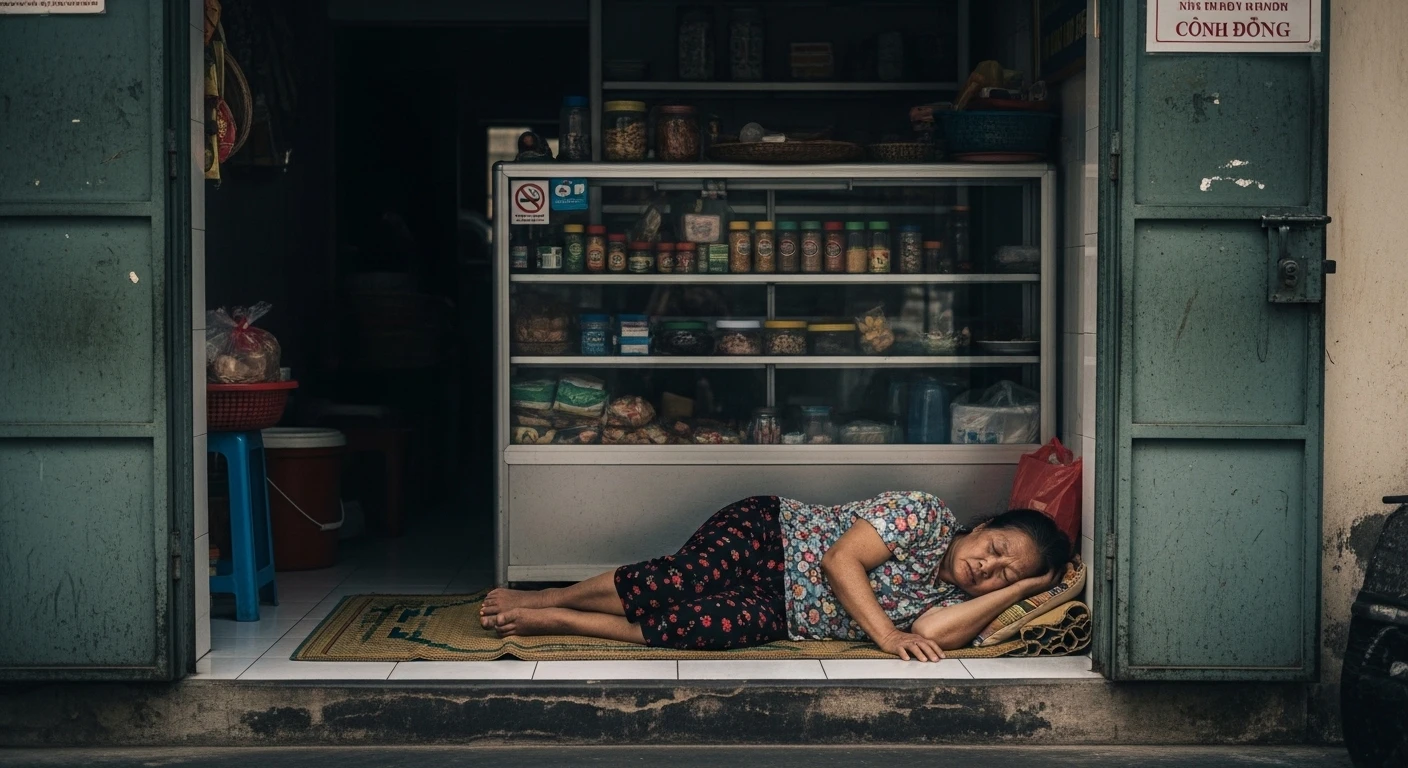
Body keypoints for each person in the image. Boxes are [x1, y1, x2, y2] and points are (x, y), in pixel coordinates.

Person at [478, 492, 1070, 661]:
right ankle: (550, 592)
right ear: (982, 524)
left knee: (700, 630)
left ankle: (561, 621)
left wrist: (1024, 587)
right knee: (681, 579)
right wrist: (887, 636)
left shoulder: (951, 597)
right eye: (996, 549)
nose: (986, 567)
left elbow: (937, 634)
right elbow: (840, 560)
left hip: (783, 612)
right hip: (771, 534)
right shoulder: (926, 514)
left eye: (1001, 576)